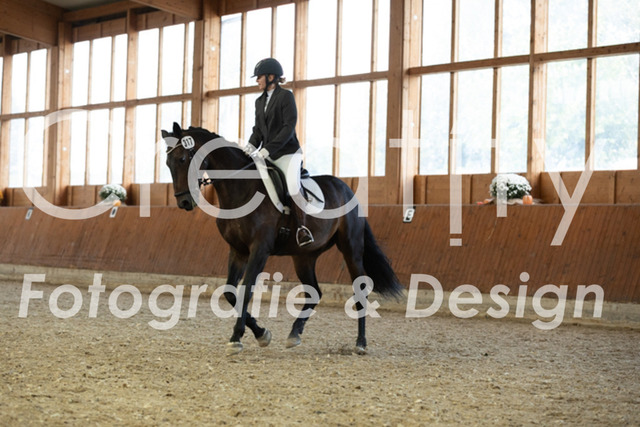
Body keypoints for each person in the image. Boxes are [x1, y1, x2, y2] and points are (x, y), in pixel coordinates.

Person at [244, 58, 314, 247]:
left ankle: (302, 228)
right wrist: (249, 148)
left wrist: (268, 149)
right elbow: (258, 130)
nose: (257, 80)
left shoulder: (286, 97)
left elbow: (288, 127)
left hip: (287, 153)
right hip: (267, 154)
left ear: (271, 77)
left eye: (259, 77)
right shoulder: (259, 102)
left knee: (292, 184)